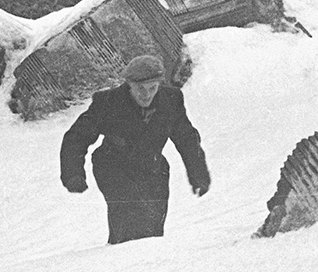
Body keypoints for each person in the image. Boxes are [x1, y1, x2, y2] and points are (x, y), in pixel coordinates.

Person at [60, 54, 211, 244]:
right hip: (113, 166)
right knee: (128, 220)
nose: (146, 94)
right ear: (129, 85)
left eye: (152, 88)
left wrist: (198, 174)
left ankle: (142, 268)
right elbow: (76, 137)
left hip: (153, 168)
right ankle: (119, 259)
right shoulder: (108, 102)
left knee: (153, 229)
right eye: (140, 89)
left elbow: (187, 138)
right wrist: (73, 174)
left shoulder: (171, 100)